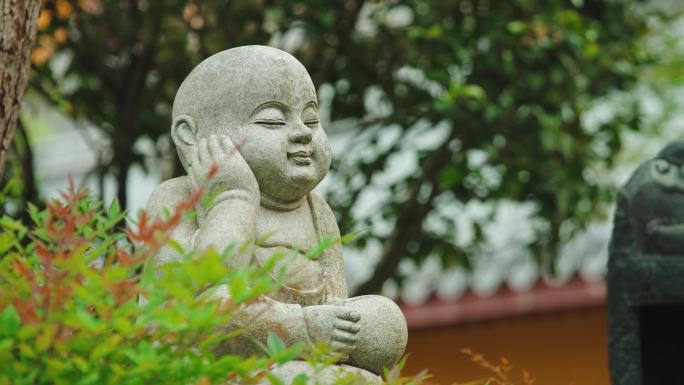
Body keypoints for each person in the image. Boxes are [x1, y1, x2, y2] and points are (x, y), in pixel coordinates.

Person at [145, 45, 406, 382]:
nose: (302, 132)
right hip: (214, 364)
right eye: (273, 120)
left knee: (384, 322)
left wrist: (345, 326)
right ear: (192, 138)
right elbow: (188, 303)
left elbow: (336, 308)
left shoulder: (318, 212)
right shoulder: (176, 198)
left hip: (306, 360)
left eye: (311, 118)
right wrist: (233, 199)